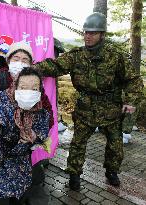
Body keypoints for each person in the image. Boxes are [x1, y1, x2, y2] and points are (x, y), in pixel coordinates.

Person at [34, 12, 143, 190]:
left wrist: (130, 101)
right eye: (86, 32)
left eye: (92, 33)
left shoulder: (115, 57)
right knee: (78, 143)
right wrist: (32, 68)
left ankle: (112, 172)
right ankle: (74, 174)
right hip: (85, 108)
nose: (88, 36)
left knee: (115, 145)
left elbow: (133, 80)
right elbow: (55, 66)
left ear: (102, 35)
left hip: (111, 109)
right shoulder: (76, 55)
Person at [0, 41, 53, 205]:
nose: (20, 62)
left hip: (21, 150)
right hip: (0, 147)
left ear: (30, 63)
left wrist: (36, 135)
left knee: (20, 187)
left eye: (25, 59)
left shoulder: (34, 80)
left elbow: (47, 114)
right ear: (8, 60)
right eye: (16, 58)